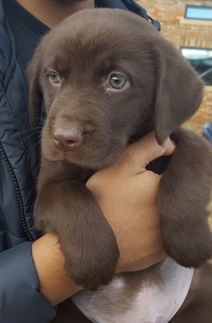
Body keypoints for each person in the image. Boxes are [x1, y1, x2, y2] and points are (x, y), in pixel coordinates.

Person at [0, 0, 175, 322]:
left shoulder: (144, 33)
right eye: (54, 78)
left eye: (116, 80)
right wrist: (53, 270)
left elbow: (171, 147)